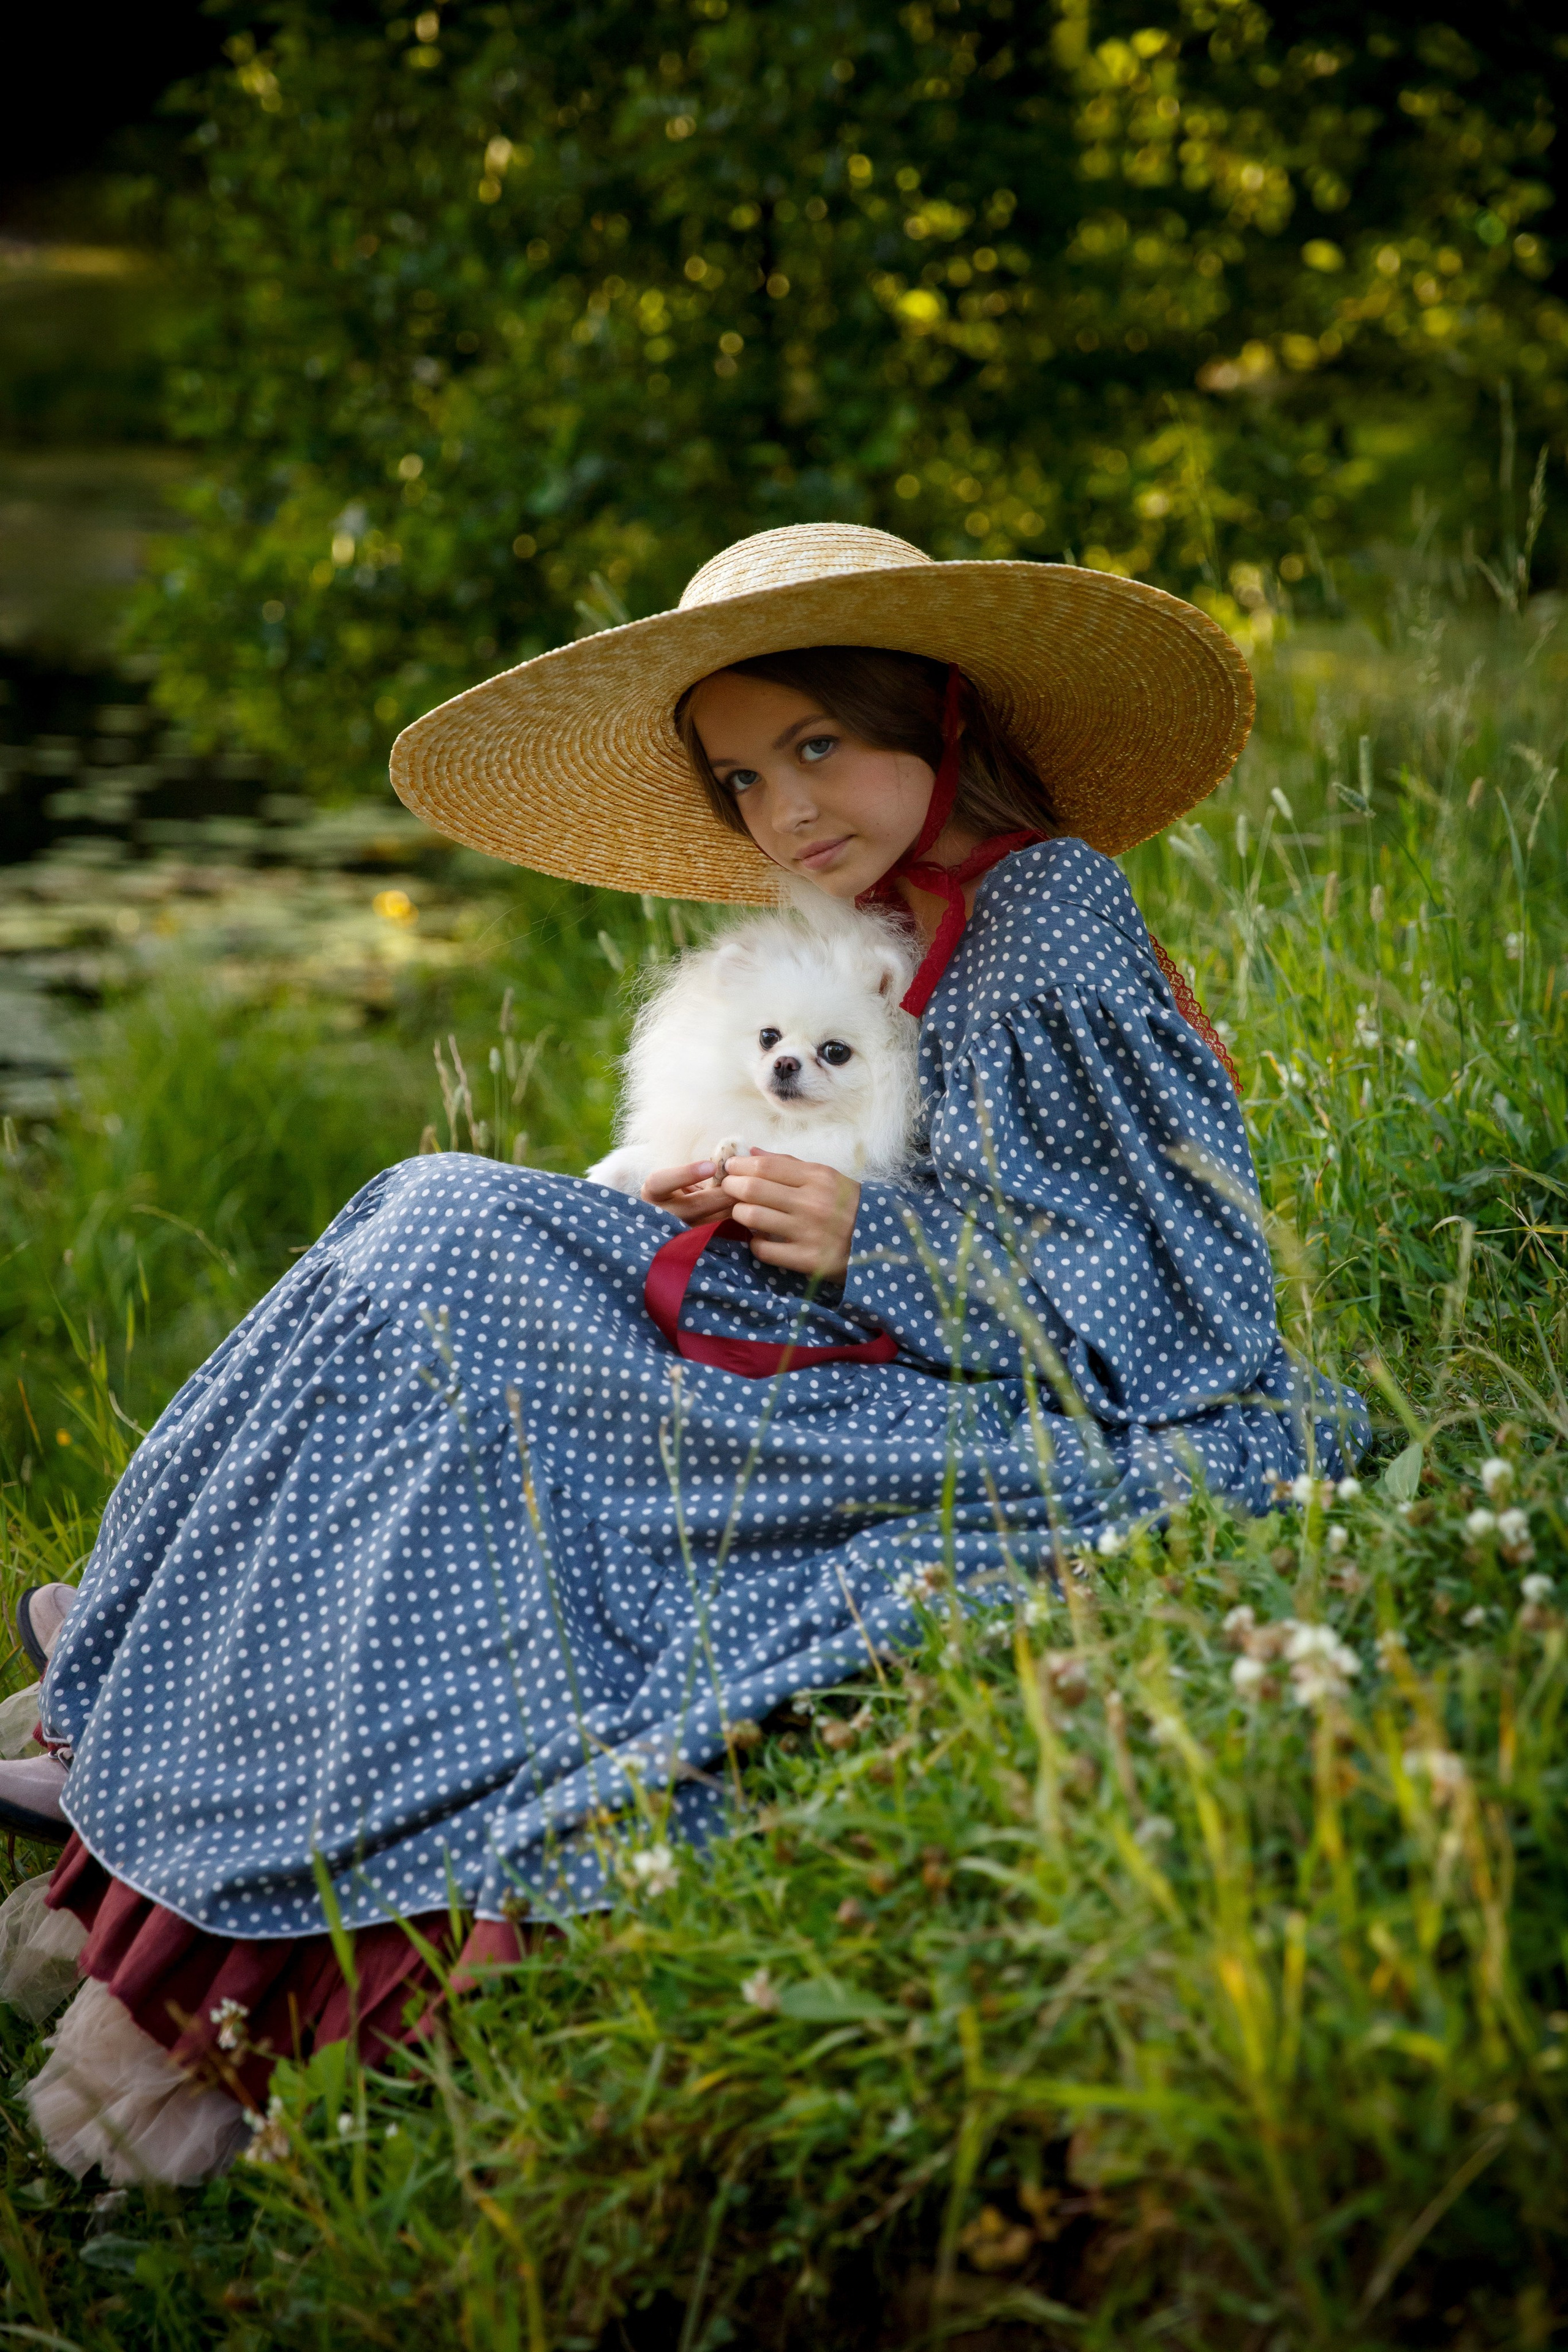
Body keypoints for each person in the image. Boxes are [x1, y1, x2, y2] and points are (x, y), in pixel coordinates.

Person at [1, 523, 1364, 2182]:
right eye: (740, 781)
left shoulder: (1049, 909)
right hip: (822, 1324)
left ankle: (176, 1751)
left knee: (450, 1237)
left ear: (934, 716)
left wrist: (873, 1239)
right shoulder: (876, 914)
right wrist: (735, 1183)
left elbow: (1181, 1294)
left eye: (819, 745)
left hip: (938, 1388)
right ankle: (151, 1688)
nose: (788, 811)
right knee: (418, 1220)